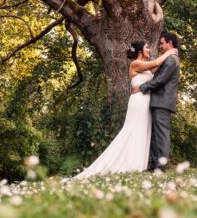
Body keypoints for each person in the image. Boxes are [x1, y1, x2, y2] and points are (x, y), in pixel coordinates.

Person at [74, 40, 178, 179]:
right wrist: (170, 52)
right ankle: (128, 163)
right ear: (140, 51)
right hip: (139, 101)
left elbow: (156, 68)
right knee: (134, 129)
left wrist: (169, 54)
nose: (150, 50)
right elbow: (155, 64)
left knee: (143, 131)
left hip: (146, 102)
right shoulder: (135, 64)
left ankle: (139, 164)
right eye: (147, 48)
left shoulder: (144, 67)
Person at [131, 32, 180, 171]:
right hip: (158, 101)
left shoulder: (171, 59)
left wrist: (141, 87)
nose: (160, 46)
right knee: (155, 136)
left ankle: (160, 167)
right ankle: (155, 166)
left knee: (161, 135)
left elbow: (160, 80)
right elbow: (154, 68)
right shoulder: (168, 58)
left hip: (163, 102)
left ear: (170, 43)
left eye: (162, 43)